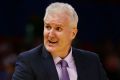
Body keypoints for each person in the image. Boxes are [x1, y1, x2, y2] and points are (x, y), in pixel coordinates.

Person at [12, 2, 108, 80]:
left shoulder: (92, 60)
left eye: (58, 28)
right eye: (48, 27)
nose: (51, 34)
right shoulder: (28, 61)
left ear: (73, 33)